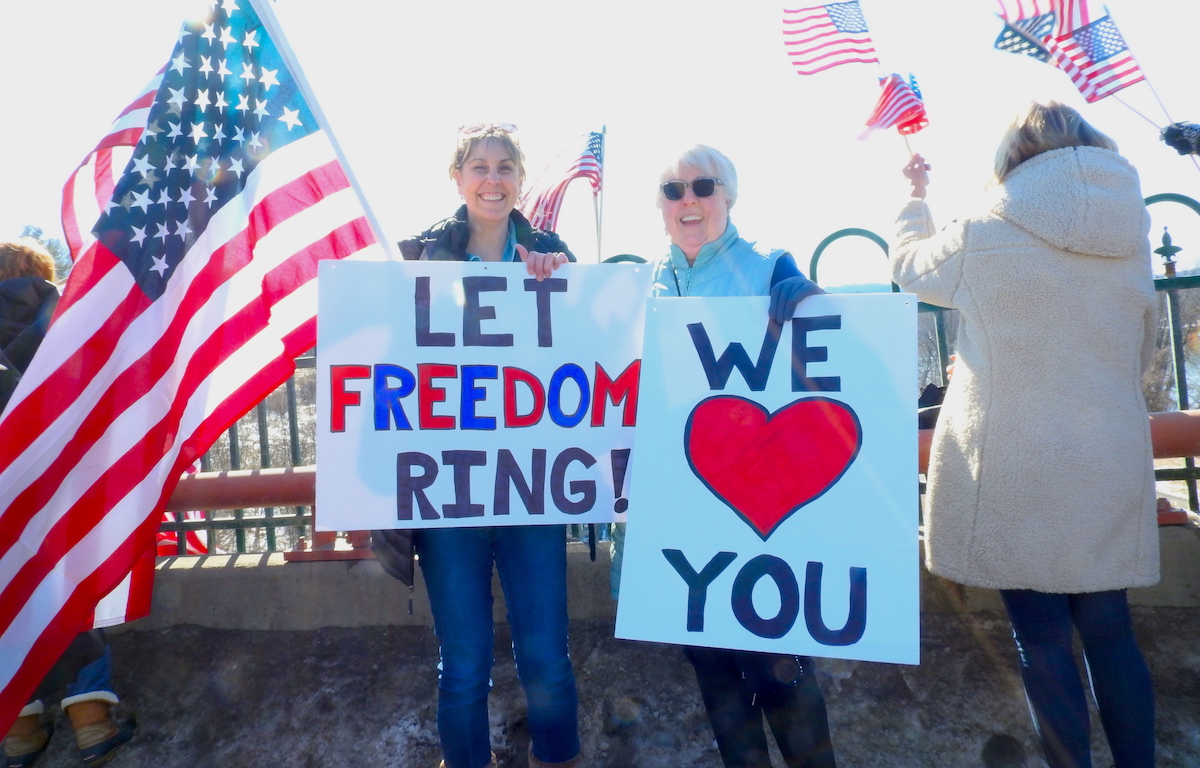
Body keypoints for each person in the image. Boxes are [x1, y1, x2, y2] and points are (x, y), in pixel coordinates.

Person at [891, 102, 1159, 768]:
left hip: (1015, 461)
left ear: (1012, 158)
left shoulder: (986, 228)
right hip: (1109, 454)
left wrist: (914, 196)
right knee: (1111, 634)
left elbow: (910, 269)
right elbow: (1145, 343)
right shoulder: (1130, 229)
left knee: (1040, 642)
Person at [613, 143, 836, 768]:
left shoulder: (769, 265)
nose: (689, 201)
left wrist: (810, 296)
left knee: (782, 673)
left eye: (703, 187)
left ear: (727, 197)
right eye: (673, 190)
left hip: (762, 521)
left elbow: (837, 359)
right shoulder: (639, 285)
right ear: (659, 207)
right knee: (717, 681)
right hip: (680, 520)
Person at [391, 124, 581, 768]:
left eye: (505, 167)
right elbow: (388, 365)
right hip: (450, 498)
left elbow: (586, 361)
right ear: (458, 178)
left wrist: (562, 279)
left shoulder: (553, 255)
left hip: (533, 492)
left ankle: (555, 758)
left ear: (522, 180)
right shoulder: (420, 258)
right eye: (479, 166)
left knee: (547, 658)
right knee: (464, 663)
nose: (492, 179)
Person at [0, 238, 135, 768]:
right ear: (41, 271)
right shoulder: (70, 315)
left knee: (9, 597)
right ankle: (91, 723)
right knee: (70, 592)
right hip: (61, 479)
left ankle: (20, 732)